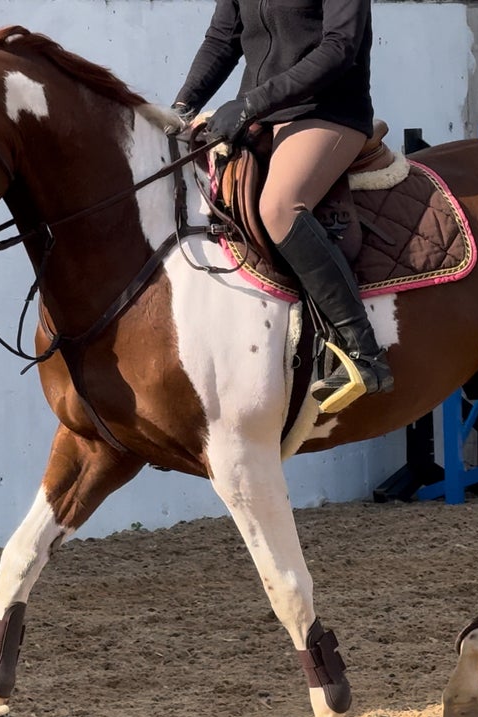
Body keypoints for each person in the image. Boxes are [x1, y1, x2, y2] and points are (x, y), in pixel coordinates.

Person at [169, 0, 394, 412]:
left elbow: (340, 46)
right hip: (259, 113)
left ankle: (364, 353)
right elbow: (223, 38)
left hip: (326, 111)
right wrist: (182, 108)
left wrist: (253, 103)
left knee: (279, 207)